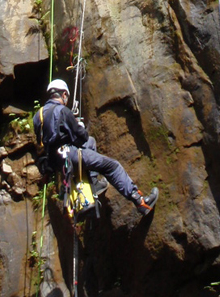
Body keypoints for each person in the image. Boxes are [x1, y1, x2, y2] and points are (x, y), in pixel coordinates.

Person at [33, 78, 159, 216]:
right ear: (63, 95)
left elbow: (45, 143)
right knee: (112, 166)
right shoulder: (63, 111)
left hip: (56, 162)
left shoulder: (38, 116)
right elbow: (82, 137)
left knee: (91, 142)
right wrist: (78, 126)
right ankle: (140, 201)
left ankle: (95, 184)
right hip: (71, 156)